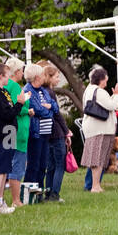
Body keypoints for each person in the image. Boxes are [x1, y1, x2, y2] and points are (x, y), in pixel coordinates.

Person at [0, 62, 27, 208]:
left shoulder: (4, 92)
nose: (9, 78)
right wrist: (19, 103)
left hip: (9, 132)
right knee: (0, 167)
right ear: (1, 76)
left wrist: (18, 103)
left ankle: (0, 199)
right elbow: (6, 114)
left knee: (6, 167)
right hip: (2, 133)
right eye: (7, 75)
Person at [82, 66, 118, 193]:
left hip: (94, 129)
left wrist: (114, 97)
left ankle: (95, 185)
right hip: (100, 129)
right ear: (100, 79)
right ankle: (95, 186)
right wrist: (116, 95)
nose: (106, 82)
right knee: (98, 159)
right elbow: (111, 105)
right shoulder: (99, 91)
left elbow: (106, 105)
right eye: (105, 79)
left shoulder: (89, 90)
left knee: (97, 158)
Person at [22, 63, 57, 200]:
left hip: (46, 133)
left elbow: (55, 107)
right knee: (34, 165)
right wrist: (48, 110)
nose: (44, 77)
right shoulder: (27, 90)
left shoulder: (43, 90)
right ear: (37, 77)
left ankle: (39, 194)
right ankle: (28, 195)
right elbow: (37, 109)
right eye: (42, 74)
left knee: (43, 165)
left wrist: (49, 108)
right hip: (35, 133)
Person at [2, 59, 32, 207]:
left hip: (9, 129)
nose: (22, 73)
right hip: (18, 129)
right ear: (16, 72)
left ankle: (0, 198)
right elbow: (16, 106)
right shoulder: (14, 86)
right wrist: (28, 109)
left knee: (7, 164)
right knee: (17, 165)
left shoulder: (5, 85)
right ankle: (16, 200)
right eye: (21, 70)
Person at [39, 66, 71, 202]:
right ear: (50, 77)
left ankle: (48, 192)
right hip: (56, 132)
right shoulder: (50, 93)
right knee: (59, 165)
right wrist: (66, 131)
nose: (58, 79)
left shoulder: (41, 91)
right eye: (57, 76)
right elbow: (57, 114)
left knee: (50, 165)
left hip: (47, 133)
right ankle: (54, 194)